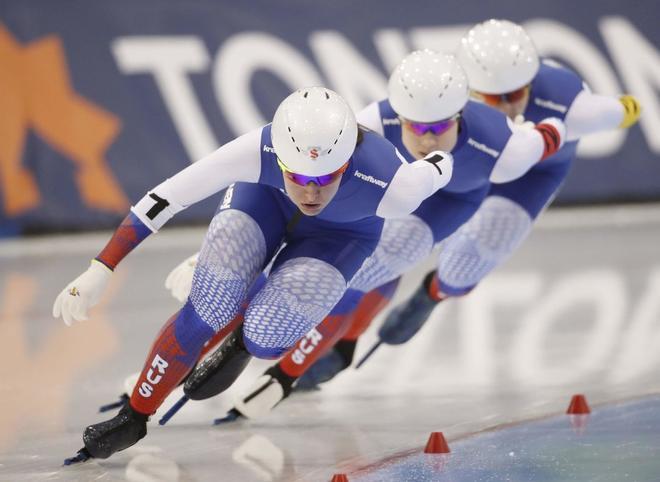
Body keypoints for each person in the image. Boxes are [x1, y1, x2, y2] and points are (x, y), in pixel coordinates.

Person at [154, 49, 568, 422]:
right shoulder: (375, 119)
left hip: (446, 199)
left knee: (370, 272)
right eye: (413, 124)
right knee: (300, 275)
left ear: (459, 114)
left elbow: (553, 132)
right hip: (392, 193)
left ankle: (372, 325)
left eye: (438, 126)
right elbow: (297, 179)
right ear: (398, 114)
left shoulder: (506, 141)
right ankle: (196, 355)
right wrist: (209, 255)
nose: (425, 138)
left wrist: (286, 375)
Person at [52, 86, 454, 463]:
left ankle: (243, 342)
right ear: (279, 158)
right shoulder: (255, 149)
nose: (310, 193)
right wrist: (100, 267)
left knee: (267, 336)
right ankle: (135, 414)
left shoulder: (395, 187)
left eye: (325, 178)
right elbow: (165, 198)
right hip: (263, 204)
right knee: (210, 303)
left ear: (346, 164)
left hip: (341, 236)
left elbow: (439, 164)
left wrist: (440, 156)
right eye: (297, 176)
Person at [293, 18, 642, 388]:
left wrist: (626, 107)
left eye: (515, 94)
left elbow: (620, 111)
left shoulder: (572, 106)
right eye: (491, 99)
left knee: (466, 266)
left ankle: (435, 292)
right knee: (387, 252)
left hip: (526, 181)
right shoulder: (439, 101)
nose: (505, 107)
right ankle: (345, 341)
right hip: (460, 172)